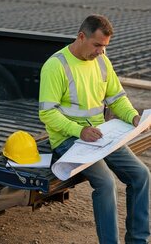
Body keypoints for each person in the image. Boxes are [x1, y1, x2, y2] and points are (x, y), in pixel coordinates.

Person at [39, 14, 150, 244]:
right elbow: (47, 113)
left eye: (105, 46)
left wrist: (134, 117)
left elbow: (117, 98)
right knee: (106, 182)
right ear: (81, 36)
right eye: (97, 45)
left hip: (101, 135)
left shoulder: (102, 60)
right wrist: (79, 131)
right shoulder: (55, 65)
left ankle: (138, 240)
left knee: (141, 175)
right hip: (69, 140)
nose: (101, 51)